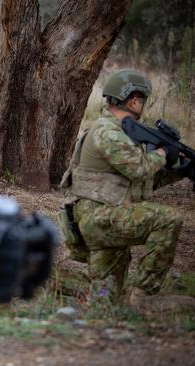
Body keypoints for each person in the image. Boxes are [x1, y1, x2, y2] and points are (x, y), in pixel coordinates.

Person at [58, 69, 194, 313]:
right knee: (168, 220)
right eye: (142, 100)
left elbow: (144, 181)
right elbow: (140, 169)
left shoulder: (121, 134)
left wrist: (181, 169)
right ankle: (145, 296)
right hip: (99, 219)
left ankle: (42, 281)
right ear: (133, 100)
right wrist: (163, 153)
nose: (143, 105)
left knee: (105, 301)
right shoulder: (108, 132)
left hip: (106, 221)